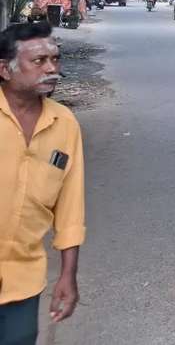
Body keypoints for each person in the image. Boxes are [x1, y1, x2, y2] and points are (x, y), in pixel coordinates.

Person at [0, 22, 85, 344]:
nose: (51, 69)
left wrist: (68, 274)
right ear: (5, 70)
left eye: (55, 59)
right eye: (39, 61)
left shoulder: (64, 124)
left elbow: (70, 208)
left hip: (23, 280)